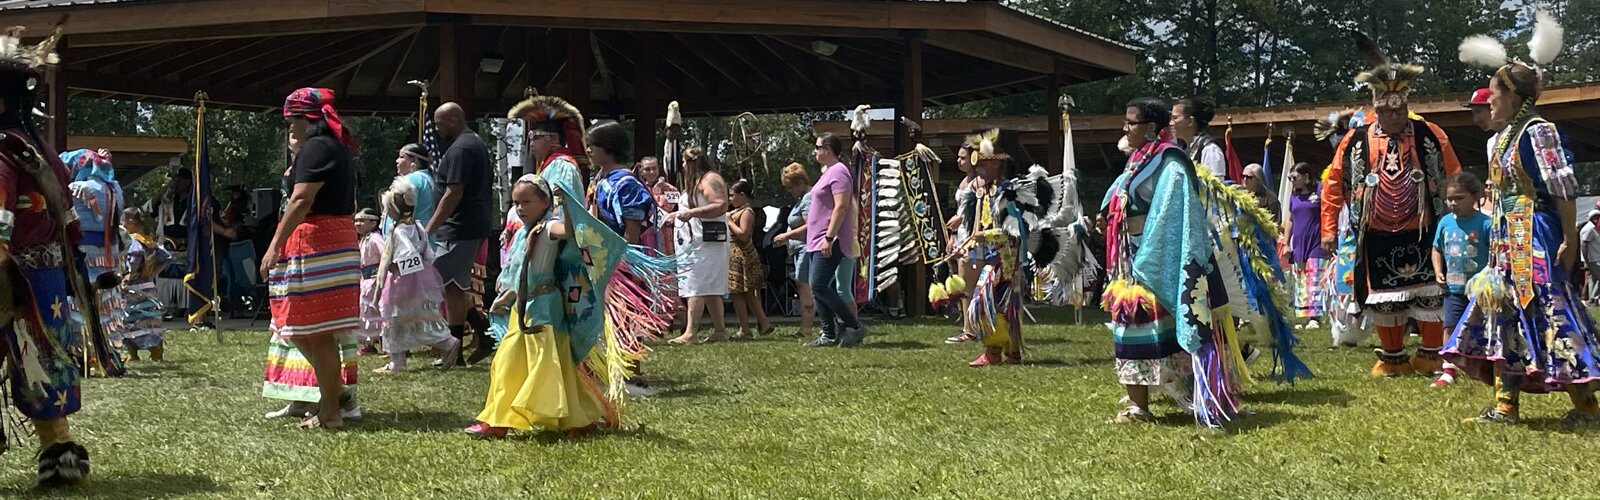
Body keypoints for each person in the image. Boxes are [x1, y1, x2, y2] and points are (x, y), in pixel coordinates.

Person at [1101, 98, 1307, 426]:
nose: (1125, 128)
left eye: (1131, 122)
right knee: (1131, 326)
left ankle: (1199, 391)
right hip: (1132, 258)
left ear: (1152, 128)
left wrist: (1151, 250)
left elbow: (1175, 210)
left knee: (1173, 325)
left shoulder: (1170, 161)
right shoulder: (1137, 161)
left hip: (1163, 257)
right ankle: (1139, 406)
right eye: (1125, 122)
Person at [1447, 12, 1600, 425]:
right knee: (1503, 311)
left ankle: (1587, 407)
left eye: (1493, 95)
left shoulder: (1538, 131)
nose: (1489, 102)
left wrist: (1569, 240)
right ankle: (1505, 406)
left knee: (1552, 312)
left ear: (1512, 96)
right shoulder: (1502, 139)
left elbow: (1563, 189)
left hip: (1537, 238)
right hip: (1506, 241)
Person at [0, 24, 118, 485]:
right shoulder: (36, 146)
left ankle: (61, 460)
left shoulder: (4, 149)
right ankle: (60, 456)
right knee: (43, 365)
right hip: (45, 277)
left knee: (40, 364)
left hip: (13, 277)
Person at [1320, 38, 1461, 378]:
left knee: (1429, 292)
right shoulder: (1356, 140)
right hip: (1375, 230)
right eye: (1387, 111)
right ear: (1377, 110)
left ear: (1406, 106)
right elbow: (1333, 183)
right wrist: (1328, 229)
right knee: (1384, 296)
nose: (1394, 116)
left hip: (1425, 228)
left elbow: (1453, 176)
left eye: (1399, 110)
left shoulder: (1430, 134)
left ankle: (1430, 354)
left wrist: (1458, 218)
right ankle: (1393, 357)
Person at [468, 163, 637, 437]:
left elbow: (569, 232)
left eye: (527, 202)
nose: (520, 208)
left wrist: (567, 204)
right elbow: (521, 272)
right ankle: (499, 420)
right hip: (523, 309)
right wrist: (507, 297)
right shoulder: (522, 233)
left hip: (546, 308)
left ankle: (577, 420)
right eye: (516, 202)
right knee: (507, 363)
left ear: (545, 202)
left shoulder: (548, 228)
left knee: (549, 366)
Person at [261, 87, 363, 430]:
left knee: (314, 332)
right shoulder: (334, 146)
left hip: (319, 243)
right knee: (299, 329)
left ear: (307, 119)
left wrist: (275, 244)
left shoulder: (318, 147)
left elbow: (301, 199)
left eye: (292, 121)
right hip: (329, 241)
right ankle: (336, 398)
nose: (290, 128)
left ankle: (332, 411)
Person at [585, 120, 674, 395]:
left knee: (626, 316)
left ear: (606, 150)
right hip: (608, 257)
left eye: (592, 146)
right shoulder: (604, 180)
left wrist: (623, 261)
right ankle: (616, 368)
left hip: (625, 260)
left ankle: (633, 372)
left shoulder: (624, 182)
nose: (588, 151)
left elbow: (633, 227)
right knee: (612, 316)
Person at [425, 102, 496, 366]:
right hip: (463, 227)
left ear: (454, 120)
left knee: (430, 279)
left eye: (440, 123)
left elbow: (453, 193)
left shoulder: (462, 149)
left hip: (460, 227)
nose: (437, 128)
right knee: (453, 287)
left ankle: (465, 340)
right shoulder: (471, 144)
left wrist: (428, 229)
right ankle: (472, 342)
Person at [373, 177, 460, 373]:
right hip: (421, 278)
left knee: (395, 316)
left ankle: (399, 362)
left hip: (402, 281)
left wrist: (396, 268)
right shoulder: (418, 226)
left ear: (395, 209)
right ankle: (445, 343)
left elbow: (408, 254)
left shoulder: (399, 231)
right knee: (419, 315)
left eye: (389, 209)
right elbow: (427, 252)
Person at [958, 130, 1023, 366]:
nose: (981, 167)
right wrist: (970, 242)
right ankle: (1011, 351)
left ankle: (995, 352)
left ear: (998, 164)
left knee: (993, 302)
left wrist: (986, 235)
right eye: (981, 162)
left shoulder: (1008, 192)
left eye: (986, 162)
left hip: (1005, 256)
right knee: (1003, 303)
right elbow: (980, 221)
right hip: (990, 254)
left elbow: (1014, 230)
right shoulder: (984, 190)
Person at [801, 133, 867, 348]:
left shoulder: (839, 173)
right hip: (816, 239)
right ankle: (829, 334)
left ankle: (854, 326)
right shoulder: (828, 173)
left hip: (830, 238)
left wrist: (829, 237)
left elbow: (841, 206)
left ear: (827, 149)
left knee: (819, 285)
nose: (815, 151)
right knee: (817, 288)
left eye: (817, 147)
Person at [1428, 173, 1490, 388]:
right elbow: (1436, 248)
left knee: (1481, 328)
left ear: (1475, 197)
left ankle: (1483, 366)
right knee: (1449, 327)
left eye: (1459, 198)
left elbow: (1495, 254)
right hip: (1453, 288)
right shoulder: (1445, 222)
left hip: (1479, 291)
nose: (1453, 203)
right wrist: (1438, 271)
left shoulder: (1485, 223)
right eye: (1449, 199)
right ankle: (1448, 370)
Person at [64, 148, 126, 352]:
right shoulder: (114, 188)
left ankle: (84, 347)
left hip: (83, 250)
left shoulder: (76, 188)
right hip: (110, 251)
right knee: (108, 297)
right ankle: (110, 346)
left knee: (80, 296)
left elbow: (68, 218)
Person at [669, 147, 732, 344]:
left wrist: (692, 213)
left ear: (692, 162)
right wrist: (677, 215)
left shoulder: (710, 179)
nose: (682, 166)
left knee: (696, 284)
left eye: (684, 161)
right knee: (709, 286)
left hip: (705, 242)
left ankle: (691, 332)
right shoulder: (697, 181)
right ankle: (720, 331)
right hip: (695, 241)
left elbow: (721, 205)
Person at [120, 208, 172, 361]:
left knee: (133, 318)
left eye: (122, 221)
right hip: (148, 286)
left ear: (130, 222)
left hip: (134, 288)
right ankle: (151, 351)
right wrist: (153, 273)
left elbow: (134, 261)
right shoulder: (148, 239)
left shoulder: (133, 241)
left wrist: (129, 276)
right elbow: (166, 258)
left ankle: (138, 353)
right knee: (148, 318)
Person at [771, 163, 816, 338]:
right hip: (798, 250)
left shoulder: (807, 199)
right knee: (802, 285)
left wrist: (786, 236)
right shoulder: (801, 199)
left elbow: (810, 225)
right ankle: (806, 326)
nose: (789, 191)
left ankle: (807, 328)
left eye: (790, 187)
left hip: (806, 248)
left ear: (799, 182)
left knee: (804, 286)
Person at [1281, 162, 1329, 327]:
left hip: (1316, 241)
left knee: (1314, 276)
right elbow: (1290, 219)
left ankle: (1315, 316)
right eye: (1290, 178)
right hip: (1299, 243)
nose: (1292, 181)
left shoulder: (1320, 191)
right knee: (1301, 278)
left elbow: (1328, 213)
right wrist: (1286, 243)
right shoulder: (1294, 196)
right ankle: (1304, 313)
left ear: (1306, 177)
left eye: (1295, 177)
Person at [727, 179, 774, 338]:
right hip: (735, 254)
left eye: (732, 196)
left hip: (743, 255)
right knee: (741, 293)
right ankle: (755, 325)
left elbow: (744, 234)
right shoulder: (736, 211)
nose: (730, 199)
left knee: (743, 292)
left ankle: (750, 327)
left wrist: (728, 222)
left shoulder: (747, 212)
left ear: (742, 195)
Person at [943, 142, 980, 344]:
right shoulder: (964, 181)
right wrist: (952, 236)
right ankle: (968, 326)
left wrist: (962, 221)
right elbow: (958, 211)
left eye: (963, 157)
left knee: (967, 285)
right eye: (958, 157)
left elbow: (979, 211)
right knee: (961, 283)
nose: (959, 160)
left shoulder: (979, 183)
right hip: (961, 236)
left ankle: (970, 330)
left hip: (972, 238)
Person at [1171, 97, 1226, 179]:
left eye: (1175, 118)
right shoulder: (1180, 148)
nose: (1171, 123)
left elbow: (1216, 188)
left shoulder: (1210, 150)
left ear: (1190, 121)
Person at [354, 208, 384, 354]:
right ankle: (369, 344)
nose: (357, 224)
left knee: (379, 312)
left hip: (374, 281)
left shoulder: (375, 238)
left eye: (361, 221)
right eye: (356, 221)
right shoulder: (364, 239)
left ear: (373, 223)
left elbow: (385, 254)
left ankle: (387, 344)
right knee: (366, 313)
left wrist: (380, 274)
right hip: (365, 281)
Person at [636, 156, 675, 254]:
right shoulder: (638, 189)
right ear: (641, 171)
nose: (652, 172)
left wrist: (657, 190)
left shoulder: (671, 189)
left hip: (666, 235)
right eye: (647, 169)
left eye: (654, 168)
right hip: (645, 236)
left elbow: (665, 208)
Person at [1583, 210, 1600, 306]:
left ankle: (1592, 300)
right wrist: (1586, 260)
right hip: (1594, 258)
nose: (1598, 219)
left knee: (1593, 279)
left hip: (1595, 257)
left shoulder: (1594, 228)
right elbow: (1584, 244)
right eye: (1596, 217)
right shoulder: (1589, 229)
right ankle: (1593, 299)